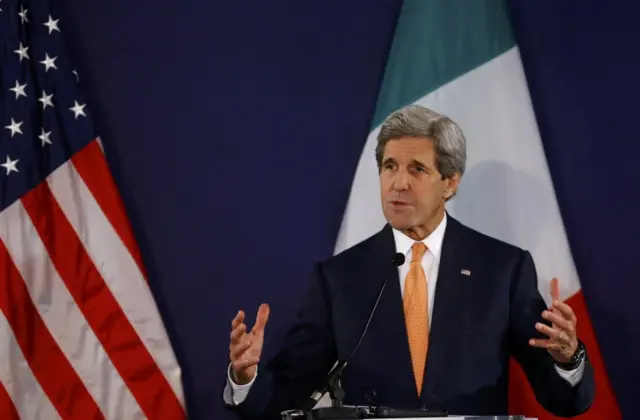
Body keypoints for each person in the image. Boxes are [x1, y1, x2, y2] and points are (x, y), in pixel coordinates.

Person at [223, 105, 595, 419]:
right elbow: (287, 393)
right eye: (389, 167)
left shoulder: (503, 269)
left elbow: (563, 400)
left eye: (416, 168)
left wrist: (568, 357)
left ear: (450, 182)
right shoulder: (339, 278)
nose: (398, 183)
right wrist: (246, 377)